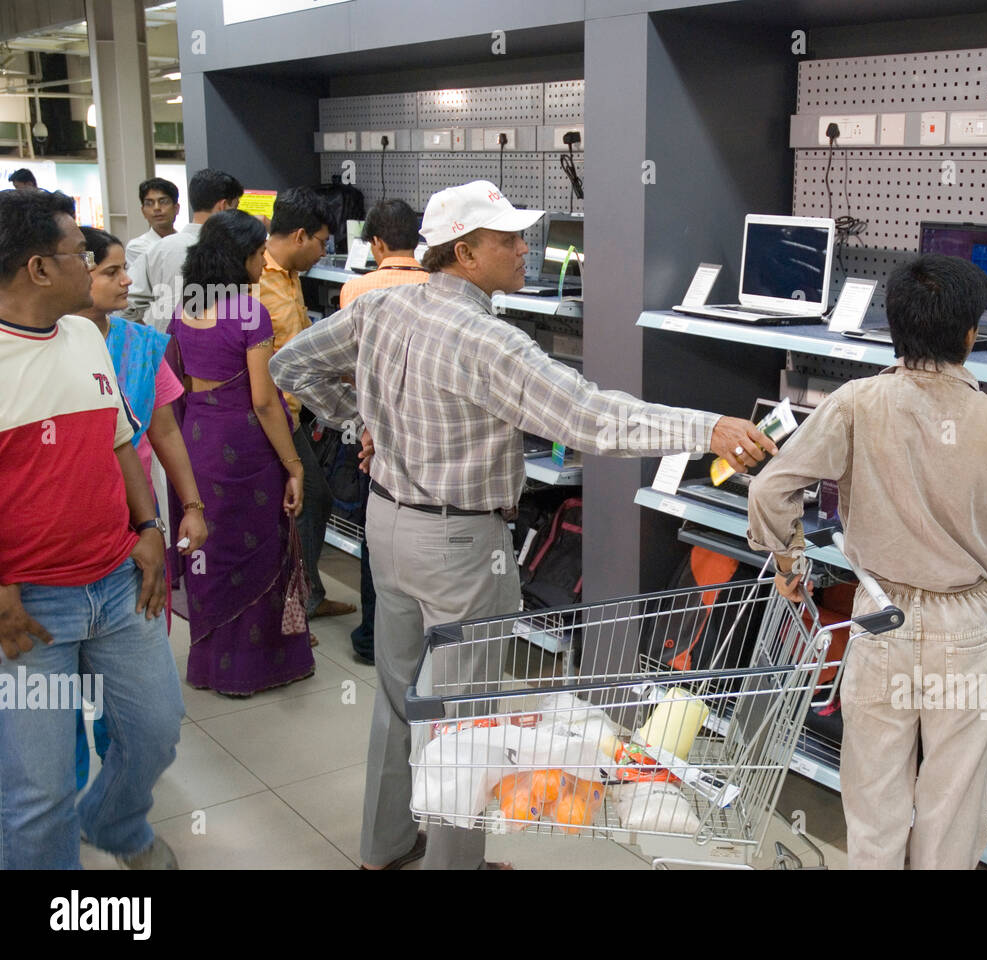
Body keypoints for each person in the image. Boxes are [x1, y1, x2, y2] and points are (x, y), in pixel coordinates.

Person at [271, 179, 777, 871]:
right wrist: (707, 429)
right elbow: (595, 416)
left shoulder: (383, 306)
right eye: (506, 238)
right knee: (464, 724)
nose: (523, 248)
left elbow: (291, 364)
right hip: (460, 548)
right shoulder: (490, 341)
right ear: (465, 252)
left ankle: (384, 847)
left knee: (398, 699)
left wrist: (359, 423)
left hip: (387, 527)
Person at [747, 254, 987, 870]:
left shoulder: (856, 404)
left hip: (881, 614)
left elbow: (768, 489)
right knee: (953, 798)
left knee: (873, 796)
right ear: (972, 336)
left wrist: (790, 563)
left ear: (893, 326)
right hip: (965, 624)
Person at [0, 188, 184, 870]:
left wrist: (148, 526)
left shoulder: (84, 335)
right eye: (82, 255)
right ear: (39, 270)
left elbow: (117, 442)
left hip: (115, 586)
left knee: (155, 731)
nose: (102, 268)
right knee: (36, 792)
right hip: (27, 610)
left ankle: (112, 822)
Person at [70, 227, 209, 785]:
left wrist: (191, 506)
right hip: (63, 536)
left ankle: (119, 785)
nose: (129, 279)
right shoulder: (32, 349)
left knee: (131, 689)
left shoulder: (141, 345)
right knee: (52, 707)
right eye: (111, 271)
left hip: (138, 524)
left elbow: (167, 431)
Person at [166, 209, 315, 696]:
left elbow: (178, 385)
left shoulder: (184, 308)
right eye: (256, 254)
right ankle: (253, 667)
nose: (261, 262)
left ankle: (210, 662)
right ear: (242, 259)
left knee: (211, 550)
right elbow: (264, 400)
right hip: (246, 445)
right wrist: (293, 465)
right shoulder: (251, 312)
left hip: (198, 439)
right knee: (256, 550)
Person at [337, 198, 430, 665]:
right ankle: (426, 641)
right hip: (431, 429)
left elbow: (349, 363)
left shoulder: (355, 290)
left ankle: (374, 639)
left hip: (372, 430)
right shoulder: (441, 286)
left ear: (375, 242)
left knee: (378, 533)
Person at [259, 187, 353, 623]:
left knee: (310, 501)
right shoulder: (256, 278)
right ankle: (293, 606)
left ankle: (304, 597)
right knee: (308, 500)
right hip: (270, 416)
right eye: (321, 242)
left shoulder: (291, 275)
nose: (323, 252)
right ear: (299, 235)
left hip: (296, 411)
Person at [125, 168, 243, 328]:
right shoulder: (230, 251)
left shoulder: (159, 248)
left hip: (163, 347)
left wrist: (149, 336)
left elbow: (126, 302)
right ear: (223, 206)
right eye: (235, 208)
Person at [124, 178, 180, 270]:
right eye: (149, 203)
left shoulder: (187, 242)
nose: (156, 208)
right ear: (143, 212)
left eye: (163, 202)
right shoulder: (136, 247)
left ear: (176, 208)